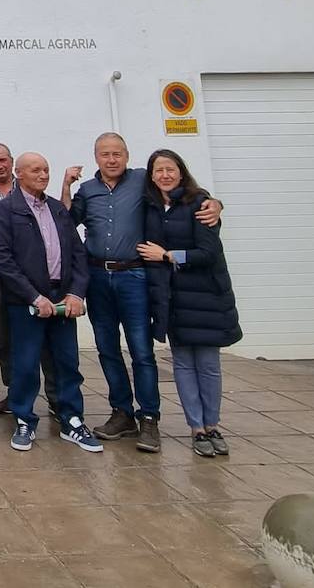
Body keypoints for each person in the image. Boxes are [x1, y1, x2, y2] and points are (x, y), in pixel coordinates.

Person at [62, 131, 222, 453]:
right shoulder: (87, 190)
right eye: (105, 154)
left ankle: (149, 417)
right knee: (107, 348)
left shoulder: (141, 182)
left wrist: (216, 203)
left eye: (117, 153)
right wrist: (65, 186)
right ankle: (122, 413)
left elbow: (183, 193)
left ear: (127, 155)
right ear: (96, 157)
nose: (112, 159)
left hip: (133, 275)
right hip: (96, 276)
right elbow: (64, 221)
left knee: (141, 351)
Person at [0, 153, 101, 454]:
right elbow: (2, 258)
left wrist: (77, 293)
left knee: (67, 363)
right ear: (19, 174)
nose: (43, 175)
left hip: (62, 299)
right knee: (25, 365)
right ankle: (24, 419)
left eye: (46, 170)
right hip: (26, 303)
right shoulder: (6, 211)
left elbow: (77, 254)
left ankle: (72, 420)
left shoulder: (56, 209)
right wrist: (33, 296)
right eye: (35, 170)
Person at [136, 149, 241, 459]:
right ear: (151, 176)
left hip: (206, 297)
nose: (165, 175)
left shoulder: (200, 203)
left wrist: (168, 256)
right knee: (182, 364)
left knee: (208, 365)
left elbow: (208, 252)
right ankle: (196, 428)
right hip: (172, 297)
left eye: (170, 169)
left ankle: (213, 425)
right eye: (158, 171)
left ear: (181, 172)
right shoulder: (150, 207)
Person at [0, 142, 57, 417]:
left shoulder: (33, 192)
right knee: (5, 336)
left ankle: (54, 396)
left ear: (12, 163)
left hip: (32, 273)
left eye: (3, 160)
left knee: (44, 338)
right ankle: (14, 391)